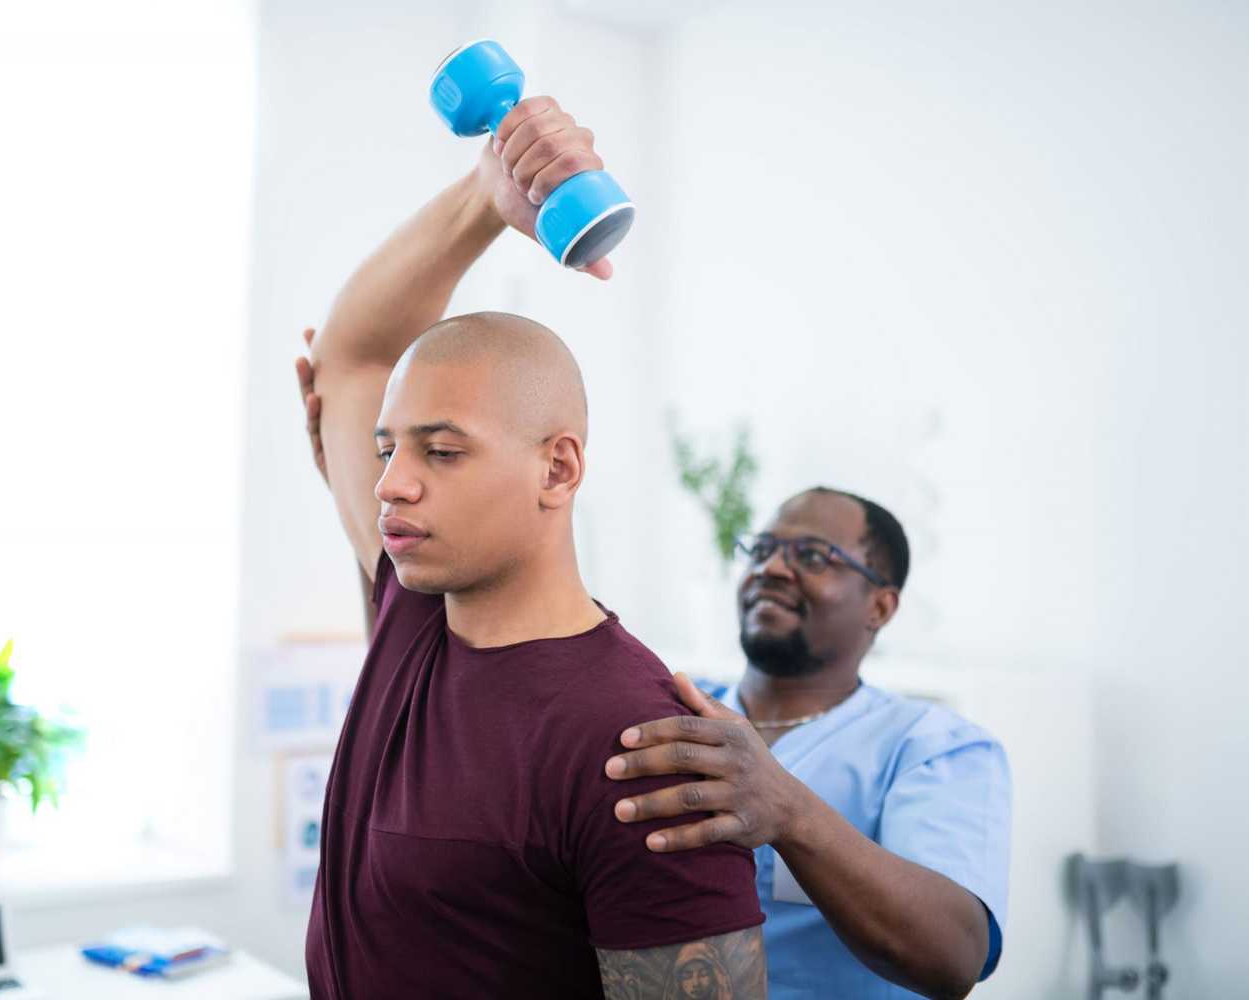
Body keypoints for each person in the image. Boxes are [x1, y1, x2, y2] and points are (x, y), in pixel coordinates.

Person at [297, 96, 768, 998]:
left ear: (558, 470)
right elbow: (353, 358)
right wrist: (485, 197)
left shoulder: (642, 745)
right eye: (390, 448)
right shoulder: (413, 611)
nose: (390, 481)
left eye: (441, 450)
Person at [604, 488, 1012, 1000]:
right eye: (761, 549)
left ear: (880, 607)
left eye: (813, 557)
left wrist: (789, 812)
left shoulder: (935, 748)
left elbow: (953, 957)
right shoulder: (674, 707)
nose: (771, 568)